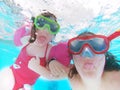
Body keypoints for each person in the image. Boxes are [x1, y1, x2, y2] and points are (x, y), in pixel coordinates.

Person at [0, 11, 71, 90]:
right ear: (35, 29)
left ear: (53, 37)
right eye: (41, 23)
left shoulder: (49, 52)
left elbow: (53, 76)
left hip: (25, 86)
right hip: (9, 77)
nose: (45, 30)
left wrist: (37, 68)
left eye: (52, 27)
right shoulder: (27, 40)